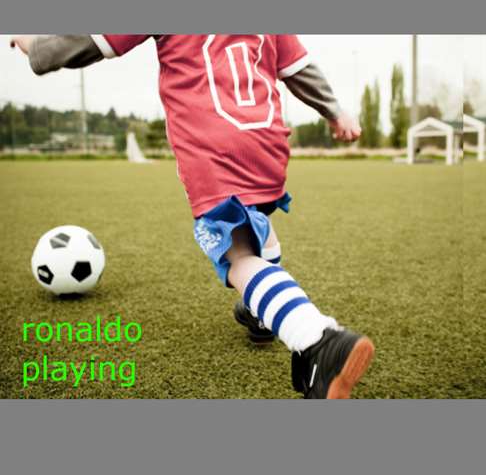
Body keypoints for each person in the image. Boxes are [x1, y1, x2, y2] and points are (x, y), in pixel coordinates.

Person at [11, 34, 374, 398]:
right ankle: (261, 312)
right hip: (267, 139)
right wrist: (335, 111)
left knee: (238, 255)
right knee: (254, 218)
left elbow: (92, 40)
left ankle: (318, 338)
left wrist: (36, 46)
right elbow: (299, 69)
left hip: (213, 147)